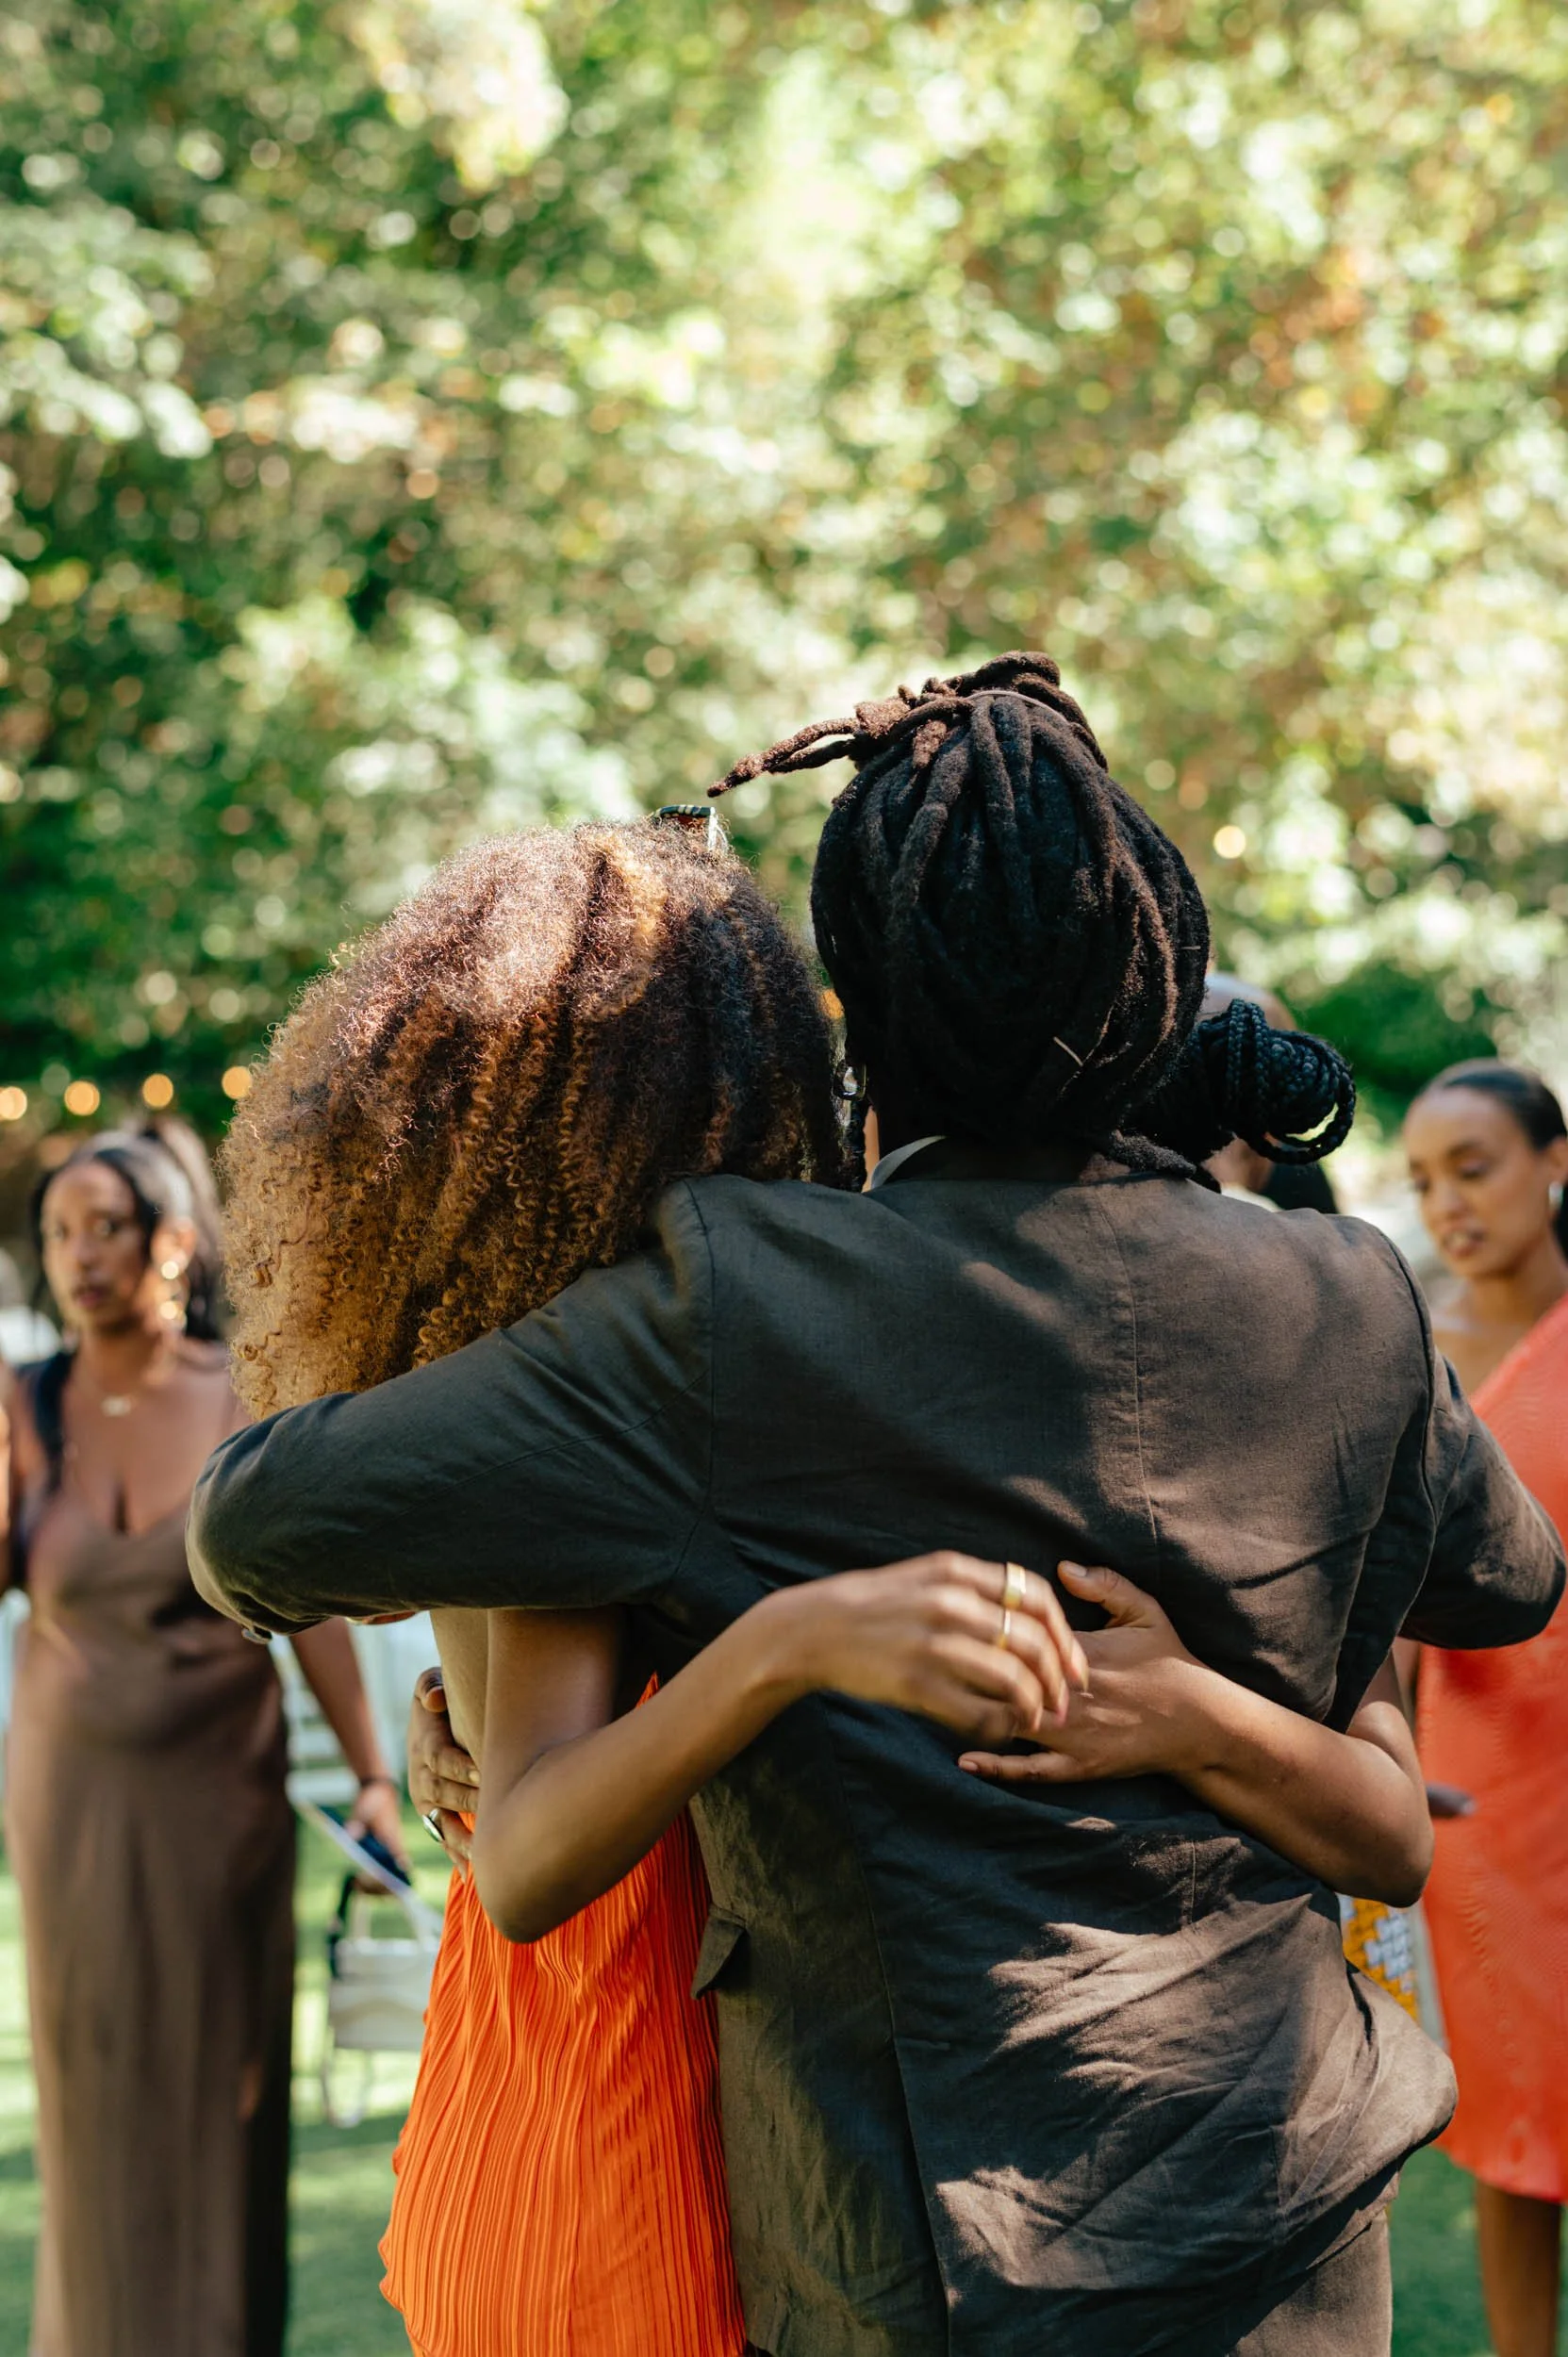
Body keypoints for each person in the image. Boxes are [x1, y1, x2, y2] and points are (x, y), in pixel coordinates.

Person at [190, 655, 1563, 2357]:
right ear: (1154, 971)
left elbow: (254, 1526)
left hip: (905, 2264)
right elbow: (1508, 1580)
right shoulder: (1345, 1297)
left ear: (852, 999)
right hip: (1283, 2222)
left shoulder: (735, 1308)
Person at [0, 1122, 405, 2357]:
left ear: (174, 1242)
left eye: (104, 1228)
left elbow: (314, 1612)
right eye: (60, 1232)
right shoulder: (23, 1405)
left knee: (217, 2091)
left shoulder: (243, 1394)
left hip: (218, 1804)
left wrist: (377, 1773)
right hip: (66, 1803)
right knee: (91, 2100)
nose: (78, 1256)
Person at [1404, 1061, 1568, 2357]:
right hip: (1488, 1784)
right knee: (1519, 2111)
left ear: (1552, 1162)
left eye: (1474, 1167)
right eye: (1420, 1183)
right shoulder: (1408, 1350)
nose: (1446, 1204)